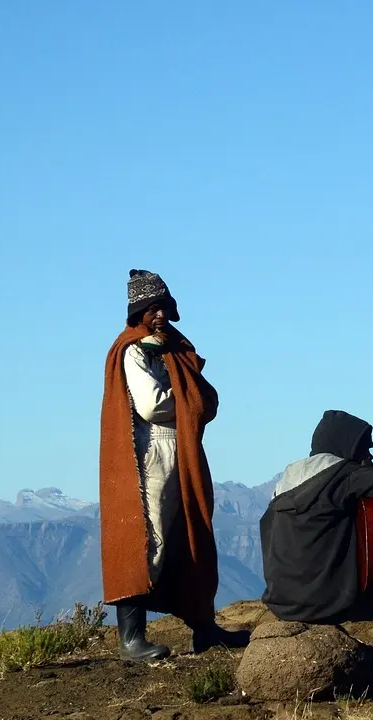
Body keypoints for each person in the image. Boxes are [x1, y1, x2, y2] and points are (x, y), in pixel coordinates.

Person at [99, 269, 243, 660]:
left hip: (182, 448)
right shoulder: (132, 351)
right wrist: (189, 398)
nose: (159, 314)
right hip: (150, 455)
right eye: (152, 308)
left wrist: (186, 397)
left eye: (163, 306)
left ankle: (205, 629)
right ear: (138, 312)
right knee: (150, 539)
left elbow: (188, 395)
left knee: (191, 532)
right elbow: (153, 404)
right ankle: (131, 639)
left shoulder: (171, 348)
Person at [259, 410, 373, 677]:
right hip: (329, 600)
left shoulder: (282, 485)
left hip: (283, 602)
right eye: (366, 448)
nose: (370, 455)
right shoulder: (345, 474)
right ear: (348, 445)